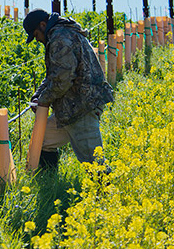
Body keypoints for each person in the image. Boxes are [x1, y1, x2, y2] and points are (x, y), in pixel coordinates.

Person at [23, 9, 114, 170]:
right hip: (71, 107)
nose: (37, 40)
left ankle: (106, 193)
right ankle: (49, 185)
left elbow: (63, 80)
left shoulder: (60, 38)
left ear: (43, 25)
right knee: (43, 140)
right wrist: (38, 95)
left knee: (93, 162)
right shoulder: (60, 34)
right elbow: (55, 74)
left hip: (82, 106)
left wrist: (43, 100)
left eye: (36, 35)